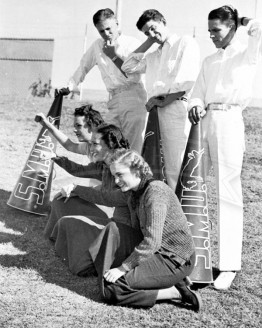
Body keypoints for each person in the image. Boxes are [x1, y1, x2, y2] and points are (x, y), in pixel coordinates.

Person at [65, 149, 201, 311]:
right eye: (114, 175)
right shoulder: (133, 192)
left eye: (120, 175)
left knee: (112, 289)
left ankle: (173, 292)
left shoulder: (155, 193)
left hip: (175, 258)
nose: (116, 180)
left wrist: (123, 268)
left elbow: (152, 241)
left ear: (136, 170)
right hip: (156, 251)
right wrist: (75, 188)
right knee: (115, 229)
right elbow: (104, 197)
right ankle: (170, 280)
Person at [188, 5, 262, 290]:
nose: (211, 36)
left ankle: (228, 265)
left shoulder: (247, 52)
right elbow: (196, 93)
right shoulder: (208, 61)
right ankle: (192, 256)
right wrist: (195, 106)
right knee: (195, 187)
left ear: (231, 28)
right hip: (205, 124)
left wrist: (240, 19)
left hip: (230, 122)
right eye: (209, 31)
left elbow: (258, 27)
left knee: (228, 192)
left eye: (216, 30)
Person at [122, 9, 200, 190]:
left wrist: (163, 101)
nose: (151, 34)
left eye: (153, 28)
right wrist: (150, 40)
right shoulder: (152, 55)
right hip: (156, 112)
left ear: (163, 21)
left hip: (175, 110)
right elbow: (128, 66)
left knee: (177, 164)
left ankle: (180, 211)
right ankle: (164, 206)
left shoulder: (185, 42)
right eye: (146, 32)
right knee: (157, 164)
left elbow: (187, 82)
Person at [67, 8, 147, 153]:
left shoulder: (132, 43)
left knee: (133, 148)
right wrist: (71, 85)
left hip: (134, 96)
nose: (106, 34)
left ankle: (133, 175)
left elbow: (134, 74)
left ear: (117, 23)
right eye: (101, 31)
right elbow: (84, 65)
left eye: (109, 29)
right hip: (114, 99)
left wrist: (113, 55)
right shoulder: (98, 45)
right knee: (107, 143)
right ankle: (105, 175)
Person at [44, 124, 131, 243]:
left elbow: (111, 198)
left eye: (95, 144)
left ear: (110, 145)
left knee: (68, 206)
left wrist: (77, 190)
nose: (90, 148)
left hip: (122, 226)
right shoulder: (104, 164)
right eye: (91, 143)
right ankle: (59, 238)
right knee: (61, 200)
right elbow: (79, 170)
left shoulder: (126, 165)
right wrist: (55, 157)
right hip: (109, 214)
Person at [36, 104, 104, 157]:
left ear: (93, 126)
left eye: (79, 126)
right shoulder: (89, 146)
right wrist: (47, 125)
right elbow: (69, 146)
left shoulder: (106, 146)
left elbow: (85, 170)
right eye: (75, 126)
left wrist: (55, 158)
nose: (74, 130)